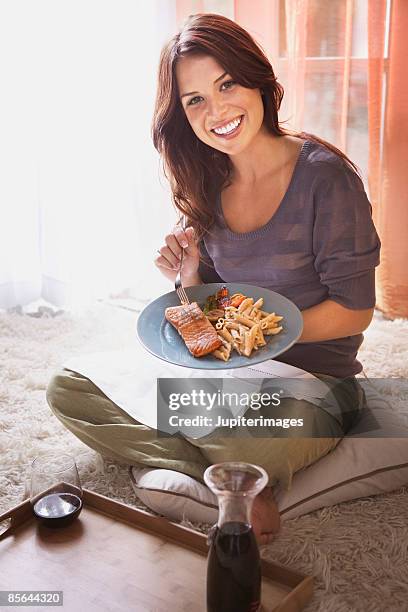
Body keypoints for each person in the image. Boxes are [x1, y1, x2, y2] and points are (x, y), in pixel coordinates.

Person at [47, 13, 380, 544]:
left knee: (243, 438)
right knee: (68, 388)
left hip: (315, 386)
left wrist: (253, 345)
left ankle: (209, 466)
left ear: (258, 81)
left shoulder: (325, 179)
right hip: (227, 378)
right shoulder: (208, 181)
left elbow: (355, 308)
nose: (216, 110)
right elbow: (207, 327)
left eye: (226, 84)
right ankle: (231, 476)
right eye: (194, 99)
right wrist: (187, 280)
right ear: (181, 114)